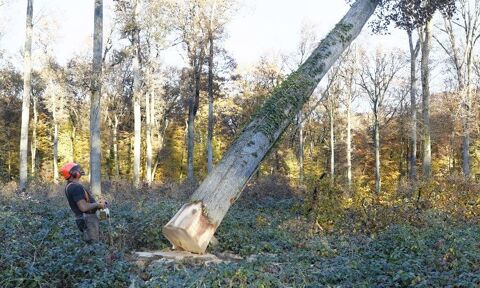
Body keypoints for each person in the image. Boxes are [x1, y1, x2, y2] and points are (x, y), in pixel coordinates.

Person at [60, 162, 106, 244]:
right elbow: (83, 207)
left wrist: (96, 203)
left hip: (84, 219)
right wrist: (98, 204)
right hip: (88, 220)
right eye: (77, 169)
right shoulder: (75, 187)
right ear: (73, 173)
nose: (80, 170)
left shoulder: (70, 186)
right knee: (94, 246)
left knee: (92, 244)